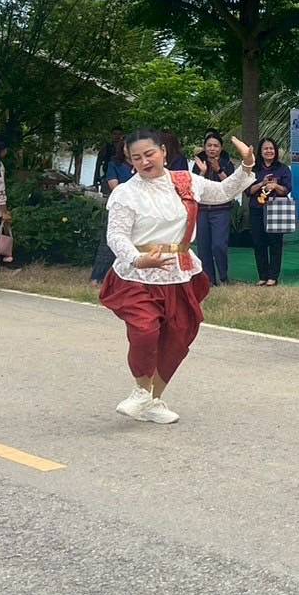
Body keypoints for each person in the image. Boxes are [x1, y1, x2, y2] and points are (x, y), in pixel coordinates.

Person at [101, 128, 255, 423]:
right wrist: (137, 258)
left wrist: (246, 165)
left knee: (179, 336)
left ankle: (154, 400)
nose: (145, 161)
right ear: (129, 161)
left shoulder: (184, 181)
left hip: (179, 271)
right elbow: (116, 235)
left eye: (150, 154)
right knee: (145, 330)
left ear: (163, 151)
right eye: (137, 158)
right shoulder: (125, 193)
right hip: (138, 274)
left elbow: (222, 192)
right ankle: (140, 391)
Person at [191, 131, 236, 286]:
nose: (212, 149)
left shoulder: (227, 162)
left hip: (221, 209)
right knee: (203, 246)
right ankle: (209, 280)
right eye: (209, 145)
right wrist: (202, 171)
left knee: (218, 245)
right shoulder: (198, 164)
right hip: (202, 210)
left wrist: (218, 169)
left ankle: (223, 277)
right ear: (204, 147)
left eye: (216, 146)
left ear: (221, 147)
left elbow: (231, 185)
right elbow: (194, 186)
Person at [249, 138, 293, 286]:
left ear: (275, 151)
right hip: (256, 209)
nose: (269, 151)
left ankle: (273, 276)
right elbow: (248, 190)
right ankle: (262, 275)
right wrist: (262, 183)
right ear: (260, 152)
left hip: (276, 209)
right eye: (265, 149)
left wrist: (275, 186)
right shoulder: (254, 169)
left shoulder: (283, 168)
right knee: (258, 242)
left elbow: (287, 189)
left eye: (271, 148)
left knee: (275, 243)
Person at [90, 137, 133, 286]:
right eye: (127, 147)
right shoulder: (115, 164)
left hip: (138, 210)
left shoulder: (142, 166)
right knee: (108, 243)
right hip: (119, 207)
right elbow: (115, 186)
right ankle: (97, 277)